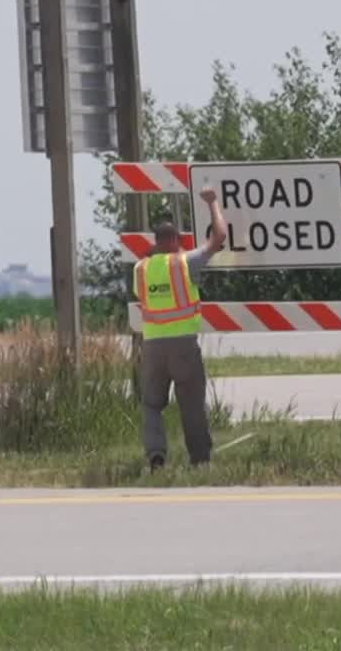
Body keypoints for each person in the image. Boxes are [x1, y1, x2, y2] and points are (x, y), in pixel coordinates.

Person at [133, 186, 227, 472]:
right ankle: (200, 460)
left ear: (155, 240)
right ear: (176, 240)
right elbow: (219, 237)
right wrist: (213, 204)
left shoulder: (141, 269)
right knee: (192, 406)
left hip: (152, 348)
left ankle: (156, 456)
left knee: (151, 405)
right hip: (184, 346)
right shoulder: (185, 262)